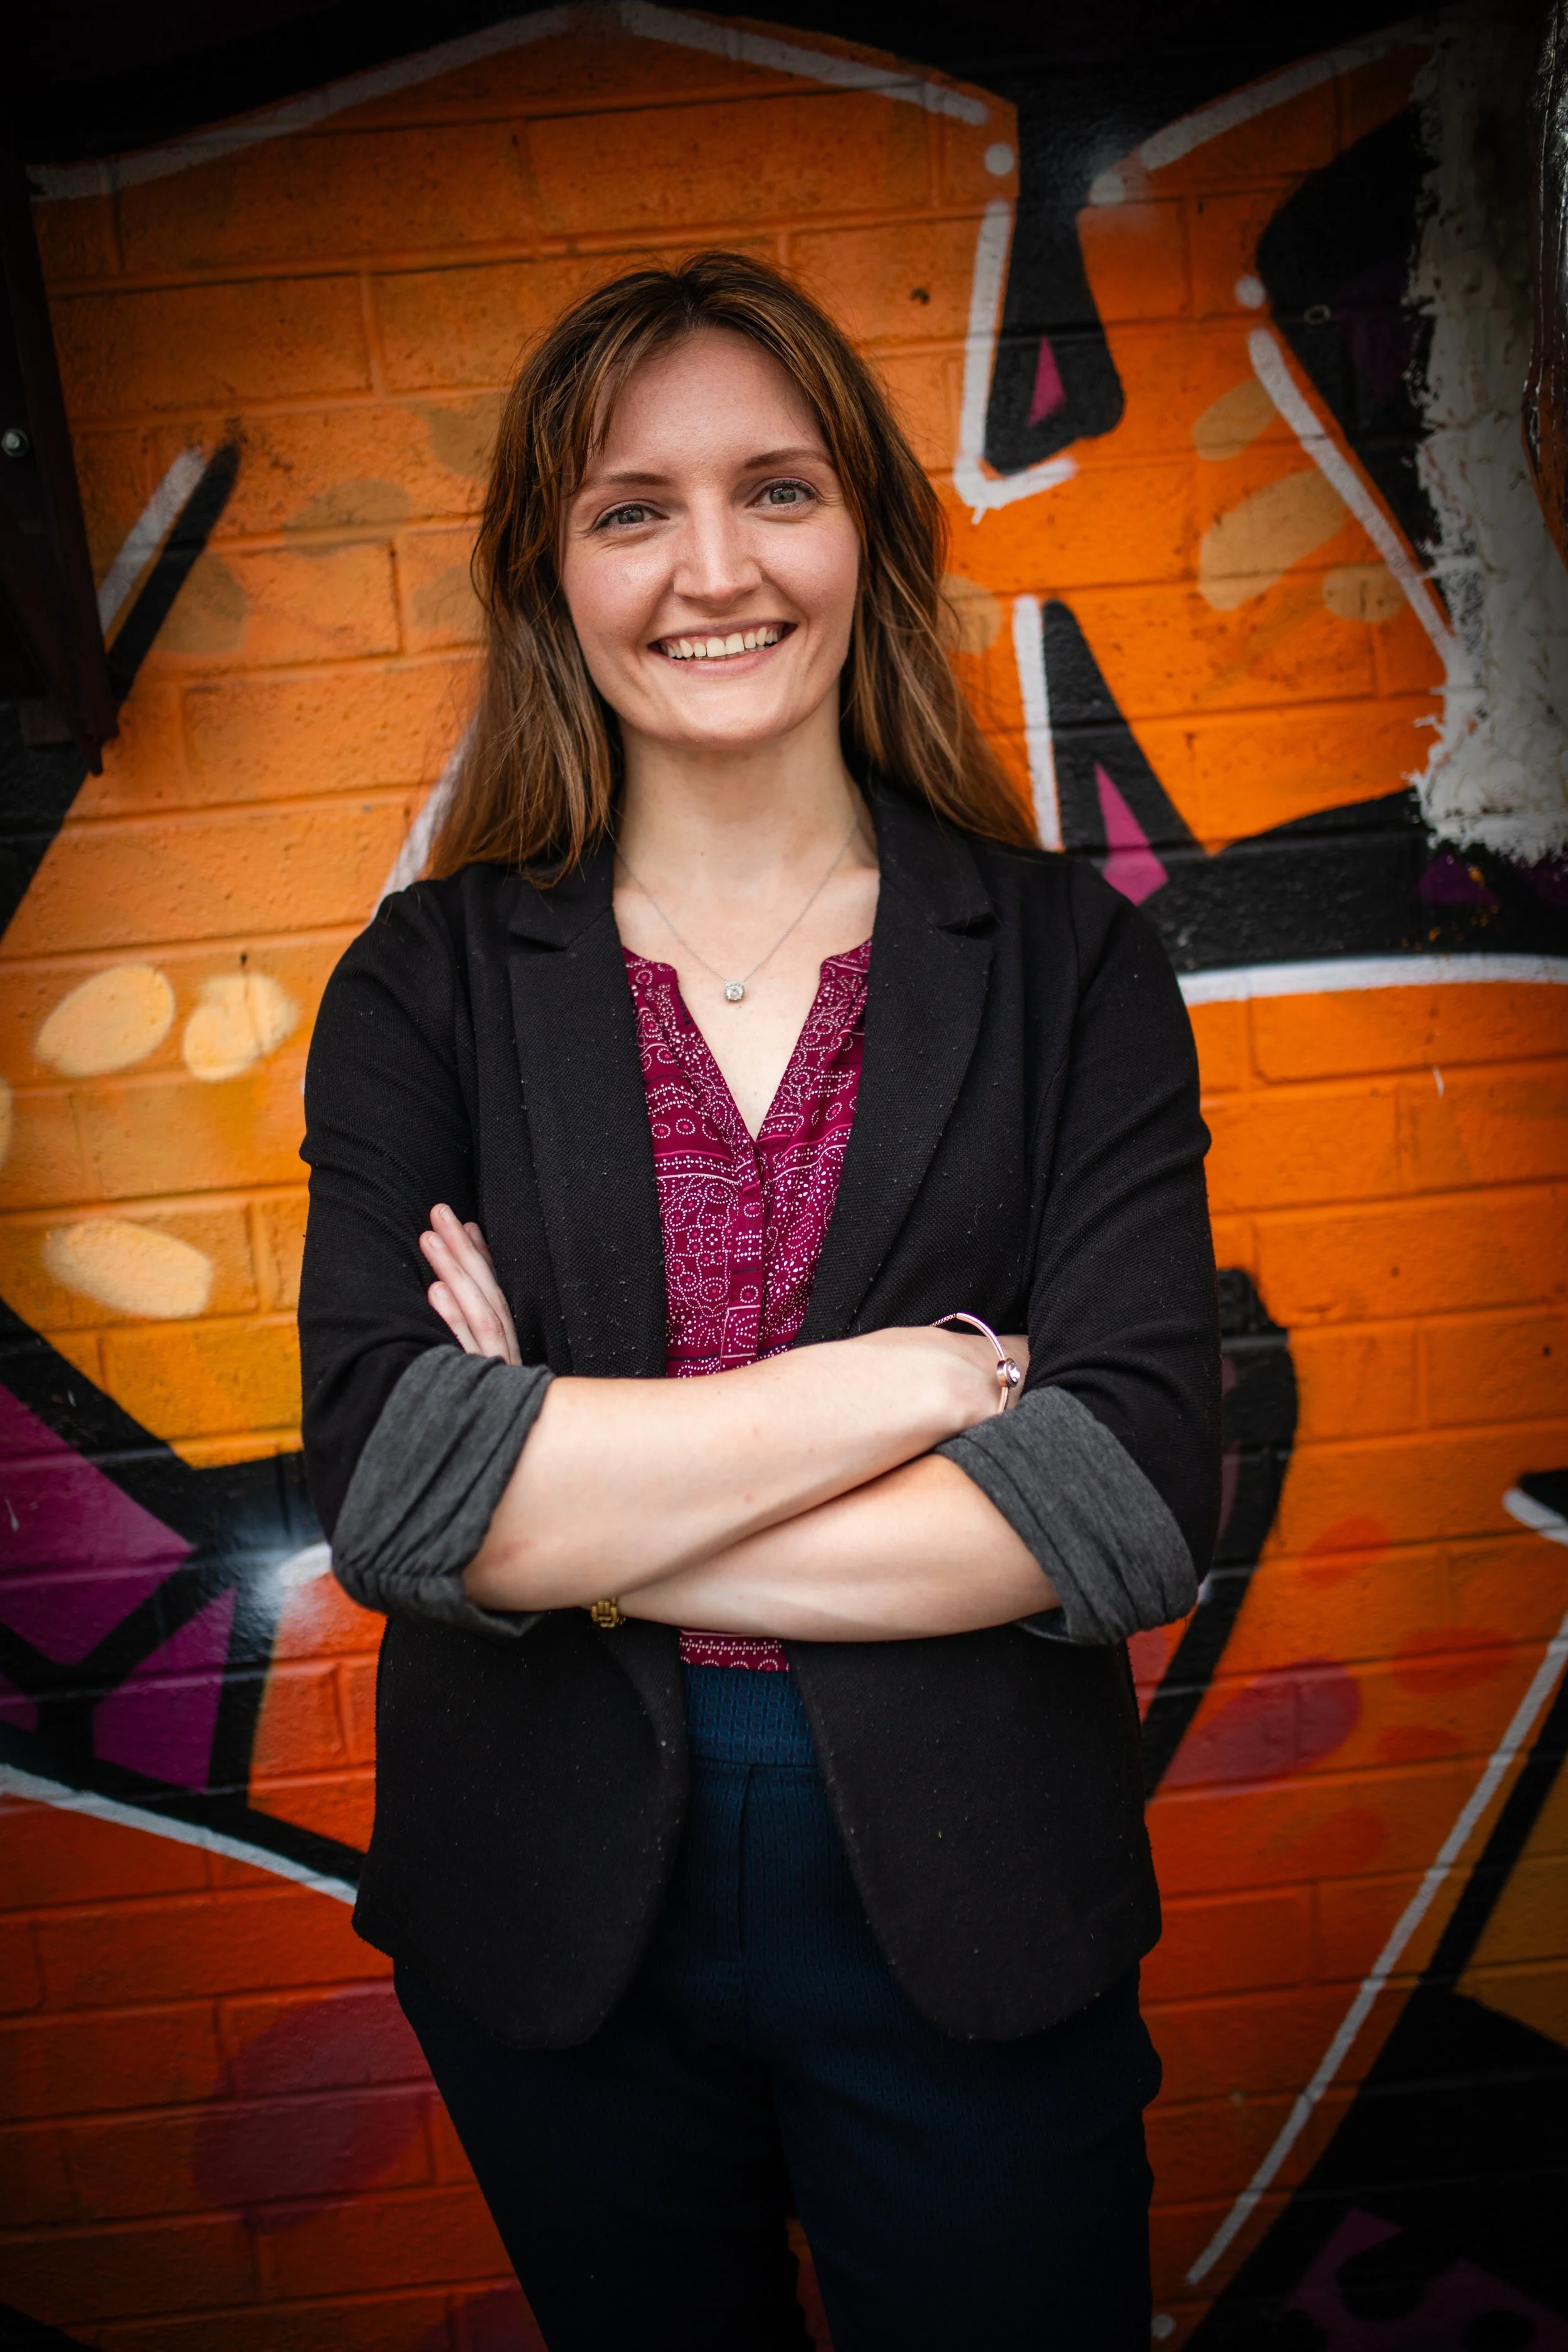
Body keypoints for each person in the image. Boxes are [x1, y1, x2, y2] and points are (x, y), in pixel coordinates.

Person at [299, 250, 1220, 2352]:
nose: (711, 568)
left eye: (775, 489)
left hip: (973, 1888)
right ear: (550, 572)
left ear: (867, 534)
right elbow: (398, 1496)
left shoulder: (1067, 962)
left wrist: (575, 1505)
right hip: (547, 1907)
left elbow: (1122, 1499)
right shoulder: (426, 984)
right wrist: (904, 1382)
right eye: (632, 508)